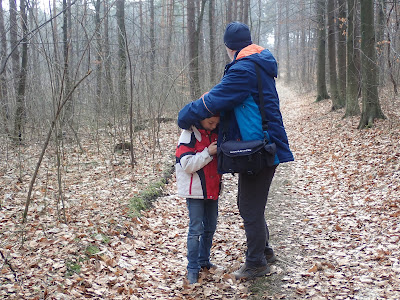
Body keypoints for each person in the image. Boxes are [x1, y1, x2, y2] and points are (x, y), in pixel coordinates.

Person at [177, 21, 294, 280]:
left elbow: (213, 101)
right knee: (250, 203)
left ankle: (256, 264)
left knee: (250, 207)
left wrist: (184, 115)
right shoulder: (257, 63)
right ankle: (264, 251)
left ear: (229, 48)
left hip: (260, 149)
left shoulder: (244, 70)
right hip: (262, 145)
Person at [175, 114, 222, 284]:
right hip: (194, 191)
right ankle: (192, 269)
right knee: (196, 230)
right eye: (210, 122)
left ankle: (204, 261)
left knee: (210, 227)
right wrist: (208, 153)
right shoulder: (189, 133)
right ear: (201, 118)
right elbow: (186, 164)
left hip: (212, 189)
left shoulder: (217, 132)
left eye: (216, 123)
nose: (213, 126)